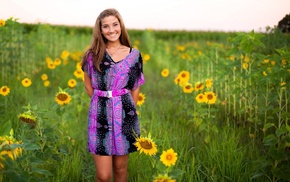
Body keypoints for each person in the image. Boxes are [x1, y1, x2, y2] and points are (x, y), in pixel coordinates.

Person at [81, 8, 145, 182]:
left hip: (125, 113)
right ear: (100, 30)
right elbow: (88, 86)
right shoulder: (92, 55)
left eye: (115, 25)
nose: (111, 30)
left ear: (120, 26)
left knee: (120, 169)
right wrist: (104, 103)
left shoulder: (134, 55)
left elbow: (136, 86)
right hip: (99, 113)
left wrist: (127, 111)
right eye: (106, 26)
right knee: (103, 176)